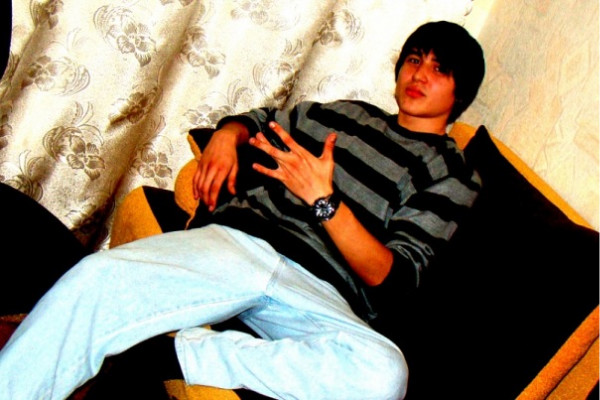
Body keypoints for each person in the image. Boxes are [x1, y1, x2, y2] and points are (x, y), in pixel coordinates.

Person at [0, 20, 485, 400]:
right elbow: (261, 121)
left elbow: (392, 277)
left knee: (384, 374)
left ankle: (175, 355)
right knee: (95, 278)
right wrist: (228, 136)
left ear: (459, 93)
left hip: (322, 291)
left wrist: (325, 202)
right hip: (242, 244)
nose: (419, 74)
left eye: (439, 69)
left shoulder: (451, 173)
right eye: (414, 60)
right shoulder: (342, 115)